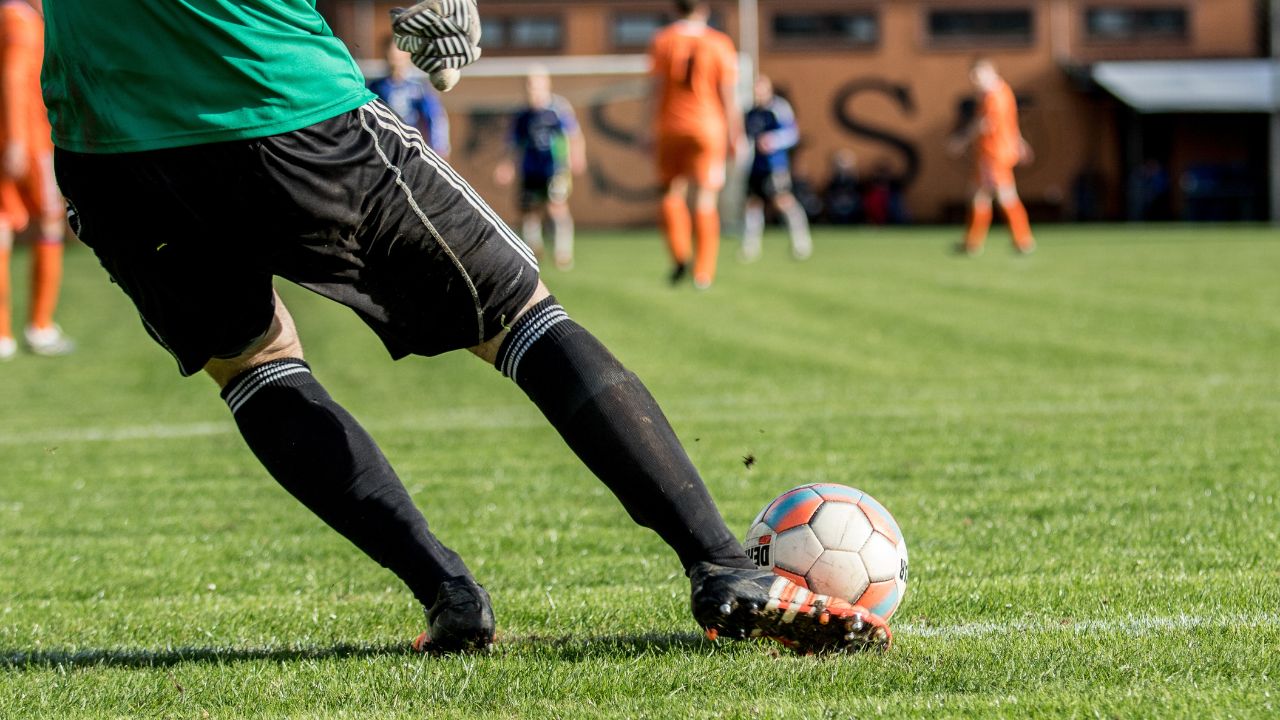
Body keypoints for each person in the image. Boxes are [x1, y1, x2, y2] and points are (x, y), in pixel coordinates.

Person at [41, 0, 889, 654]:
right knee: (520, 312)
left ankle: (447, 593)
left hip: (109, 144)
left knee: (254, 363)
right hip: (273, 94)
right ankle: (723, 567)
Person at [645, 0, 743, 289]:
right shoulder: (720, 43)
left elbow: (655, 90)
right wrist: (736, 133)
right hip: (707, 128)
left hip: (670, 126)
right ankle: (703, 272)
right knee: (705, 198)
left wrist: (646, 128)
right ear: (705, 9)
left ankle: (679, 256)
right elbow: (728, 95)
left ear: (675, 9)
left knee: (670, 193)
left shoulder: (662, 40)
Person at [0, 0, 72, 359]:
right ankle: (40, 327)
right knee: (49, 225)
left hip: (15, 139)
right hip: (28, 142)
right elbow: (13, 78)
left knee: (2, 227)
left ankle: (3, 334)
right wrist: (16, 139)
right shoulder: (20, 20)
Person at [493, 68, 585, 271]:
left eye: (536, 85)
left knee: (556, 205)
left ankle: (563, 253)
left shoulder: (558, 109)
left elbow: (573, 134)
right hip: (530, 169)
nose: (533, 90)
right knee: (528, 210)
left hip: (555, 167)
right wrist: (506, 166)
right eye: (529, 85)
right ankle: (533, 250)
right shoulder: (522, 115)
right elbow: (512, 144)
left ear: (547, 85)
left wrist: (577, 156)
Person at [948, 58, 1035, 256]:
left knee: (1003, 196)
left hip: (993, 154)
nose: (975, 81)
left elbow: (985, 124)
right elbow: (1010, 123)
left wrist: (961, 140)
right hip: (997, 152)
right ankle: (973, 243)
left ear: (990, 72)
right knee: (981, 197)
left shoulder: (993, 96)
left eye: (978, 76)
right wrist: (1019, 143)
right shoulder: (1004, 92)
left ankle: (1022, 240)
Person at [740, 75, 811, 263]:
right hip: (756, 166)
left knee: (783, 201)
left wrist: (773, 140)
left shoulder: (779, 109)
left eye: (761, 89)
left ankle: (801, 241)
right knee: (753, 204)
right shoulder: (751, 113)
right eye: (756, 90)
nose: (758, 93)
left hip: (775, 165)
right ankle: (750, 247)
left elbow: (793, 133)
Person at [367, 35, 451, 159]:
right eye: (391, 51)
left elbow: (434, 117)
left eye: (398, 51)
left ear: (407, 55)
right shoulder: (375, 88)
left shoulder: (419, 88)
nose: (395, 56)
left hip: (411, 151)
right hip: (383, 150)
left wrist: (440, 148)